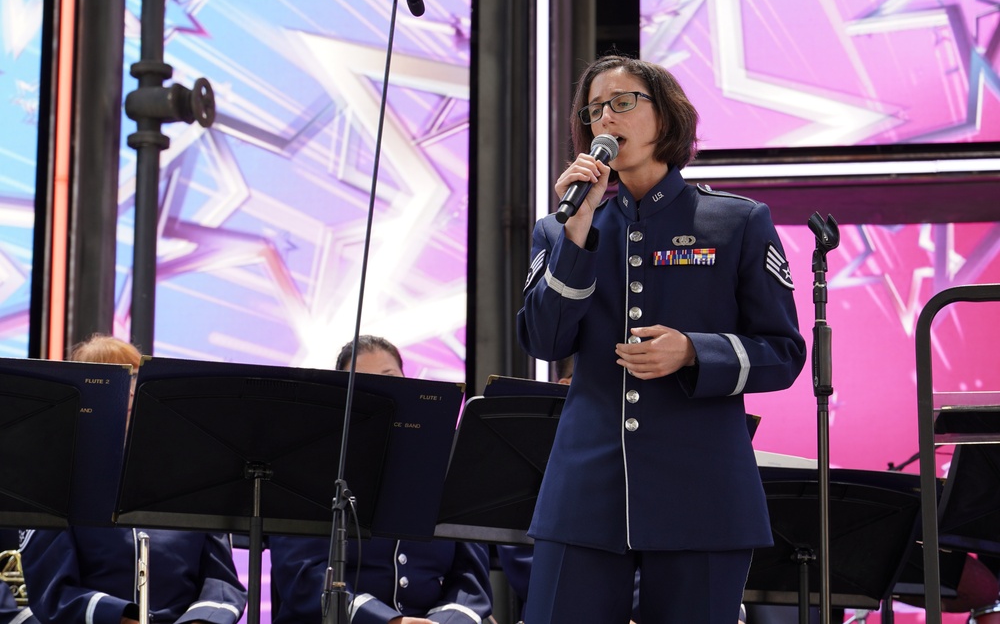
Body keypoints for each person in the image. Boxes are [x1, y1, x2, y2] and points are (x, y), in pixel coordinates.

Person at [516, 53, 807, 623]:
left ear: (666, 117)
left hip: (702, 492)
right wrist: (575, 234)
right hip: (586, 490)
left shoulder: (735, 221)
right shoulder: (560, 226)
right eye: (595, 109)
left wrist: (696, 351)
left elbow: (786, 353)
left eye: (622, 102)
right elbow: (545, 341)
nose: (606, 119)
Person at [19, 334, 248, 624]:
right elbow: (53, 592)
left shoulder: (192, 479)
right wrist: (123, 618)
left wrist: (201, 620)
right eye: (112, 381)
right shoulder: (57, 484)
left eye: (135, 378)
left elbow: (222, 583)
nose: (128, 392)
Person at [269, 335, 493, 624]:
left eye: (393, 379)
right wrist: (387, 621)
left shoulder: (447, 470)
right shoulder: (304, 469)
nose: (387, 395)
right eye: (368, 385)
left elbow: (469, 580)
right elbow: (301, 576)